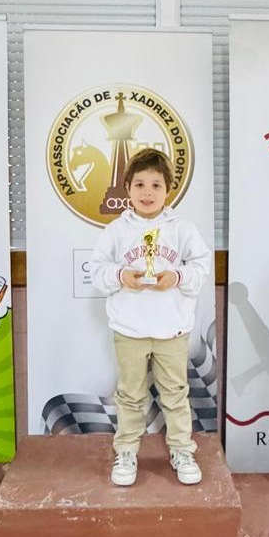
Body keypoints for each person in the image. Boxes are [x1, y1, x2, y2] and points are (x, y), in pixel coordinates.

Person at [89, 147, 212, 486]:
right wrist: (119, 276)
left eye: (156, 185)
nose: (147, 192)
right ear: (127, 188)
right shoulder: (116, 231)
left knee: (175, 393)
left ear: (168, 190)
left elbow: (201, 266)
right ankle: (127, 451)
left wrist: (177, 276)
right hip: (130, 329)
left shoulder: (182, 229)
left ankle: (182, 449)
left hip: (172, 329)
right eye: (140, 184)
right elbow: (97, 271)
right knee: (130, 395)